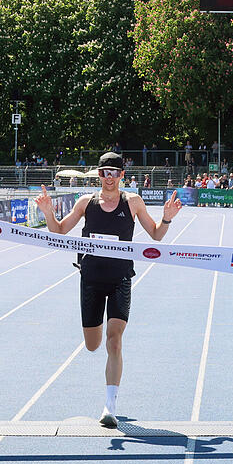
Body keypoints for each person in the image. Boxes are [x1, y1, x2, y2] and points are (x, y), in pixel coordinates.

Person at [34, 152, 182, 428]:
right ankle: (98, 343)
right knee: (93, 344)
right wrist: (47, 213)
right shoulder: (85, 202)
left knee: (114, 341)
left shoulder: (133, 202)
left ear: (122, 175)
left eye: (114, 172)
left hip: (120, 279)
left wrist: (167, 218)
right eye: (104, 173)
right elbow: (59, 231)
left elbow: (156, 235)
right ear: (98, 175)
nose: (109, 178)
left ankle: (109, 406)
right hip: (90, 278)